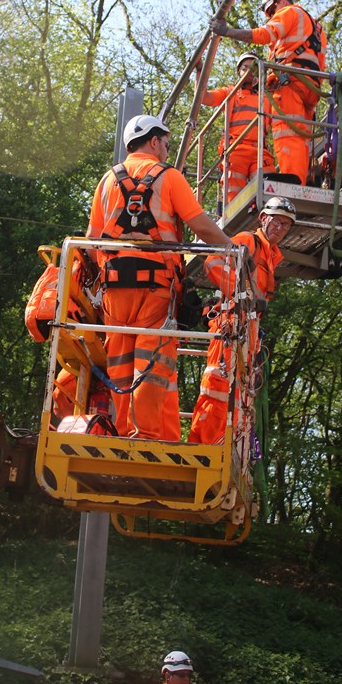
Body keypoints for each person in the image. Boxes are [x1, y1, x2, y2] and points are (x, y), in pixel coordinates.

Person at [86, 114, 235, 441]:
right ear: (153, 141)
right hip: (155, 289)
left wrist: (107, 279)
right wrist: (235, 250)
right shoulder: (169, 177)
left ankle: (126, 434)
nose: (167, 150)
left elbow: (92, 238)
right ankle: (146, 438)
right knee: (152, 368)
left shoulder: (107, 180)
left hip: (113, 290)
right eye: (166, 143)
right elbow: (202, 227)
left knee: (121, 367)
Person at [188, 196, 295, 445]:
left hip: (248, 332)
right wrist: (244, 295)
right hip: (231, 326)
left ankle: (228, 445)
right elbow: (213, 262)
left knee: (239, 395)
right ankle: (204, 445)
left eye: (285, 225)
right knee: (218, 388)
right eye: (276, 222)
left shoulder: (271, 255)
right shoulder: (249, 241)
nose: (280, 228)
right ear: (263, 219)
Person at [210, 0, 327, 186]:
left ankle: (293, 179)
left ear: (280, 1)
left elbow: (265, 34)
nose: (272, 16)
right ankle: (300, 178)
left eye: (272, 11)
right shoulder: (316, 27)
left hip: (291, 83)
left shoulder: (289, 12)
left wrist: (227, 32)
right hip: (311, 85)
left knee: (285, 132)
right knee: (300, 135)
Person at [200, 56, 275, 203]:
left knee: (268, 194)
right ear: (238, 72)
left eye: (252, 68)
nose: (248, 72)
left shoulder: (268, 98)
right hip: (236, 151)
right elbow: (204, 98)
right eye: (244, 68)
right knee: (233, 200)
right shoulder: (230, 92)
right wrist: (200, 72)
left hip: (260, 152)